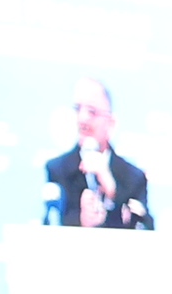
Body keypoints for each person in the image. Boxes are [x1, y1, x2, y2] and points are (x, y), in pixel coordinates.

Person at [42, 74, 152, 228]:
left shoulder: (133, 177)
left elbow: (146, 228)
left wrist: (112, 192)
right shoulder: (58, 169)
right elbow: (52, 223)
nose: (82, 119)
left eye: (92, 112)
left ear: (110, 123)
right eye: (77, 109)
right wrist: (81, 221)